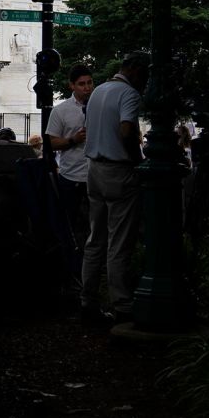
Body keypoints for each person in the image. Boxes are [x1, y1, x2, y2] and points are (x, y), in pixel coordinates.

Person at [78, 51, 150, 325]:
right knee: (119, 242)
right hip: (118, 170)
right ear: (135, 71)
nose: (145, 81)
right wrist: (138, 161)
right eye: (144, 74)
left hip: (93, 169)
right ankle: (122, 304)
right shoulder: (129, 95)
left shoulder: (97, 92)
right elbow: (125, 131)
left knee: (95, 239)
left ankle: (88, 300)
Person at [47, 64, 95, 288]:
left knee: (95, 228)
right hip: (71, 177)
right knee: (70, 227)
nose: (87, 88)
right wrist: (73, 140)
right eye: (82, 84)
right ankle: (71, 272)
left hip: (96, 176)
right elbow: (51, 142)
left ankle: (92, 272)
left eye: (89, 83)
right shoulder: (61, 110)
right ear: (72, 86)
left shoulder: (99, 107)